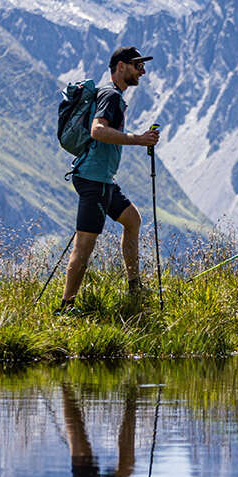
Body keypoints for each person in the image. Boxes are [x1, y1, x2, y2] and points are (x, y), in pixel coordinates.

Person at [60, 46, 162, 313]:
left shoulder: (113, 95)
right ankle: (66, 307)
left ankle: (134, 287)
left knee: (132, 219)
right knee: (84, 245)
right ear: (120, 66)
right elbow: (97, 130)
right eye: (137, 65)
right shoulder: (111, 96)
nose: (143, 70)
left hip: (101, 178)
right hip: (92, 179)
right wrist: (139, 140)